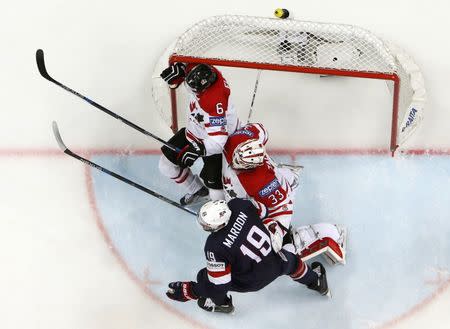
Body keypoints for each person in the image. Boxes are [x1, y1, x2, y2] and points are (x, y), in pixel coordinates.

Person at [166, 198, 330, 313]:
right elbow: (265, 211)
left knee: (206, 276)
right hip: (277, 261)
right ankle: (316, 282)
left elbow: (219, 286)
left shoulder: (214, 247)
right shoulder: (239, 205)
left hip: (252, 281)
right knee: (292, 262)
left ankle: (222, 305)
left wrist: (192, 291)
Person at [221, 123, 347, 263]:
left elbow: (282, 208)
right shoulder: (242, 138)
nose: (235, 166)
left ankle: (320, 235)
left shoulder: (261, 183)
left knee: (271, 246)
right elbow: (262, 130)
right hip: (277, 178)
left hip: (278, 195)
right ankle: (289, 177)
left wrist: (278, 230)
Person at [158, 63, 241, 205]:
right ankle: (197, 190)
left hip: (217, 146)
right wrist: (182, 68)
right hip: (194, 132)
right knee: (166, 166)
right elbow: (191, 64)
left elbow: (218, 142)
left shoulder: (214, 104)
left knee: (217, 194)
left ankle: (220, 217)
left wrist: (197, 150)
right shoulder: (209, 72)